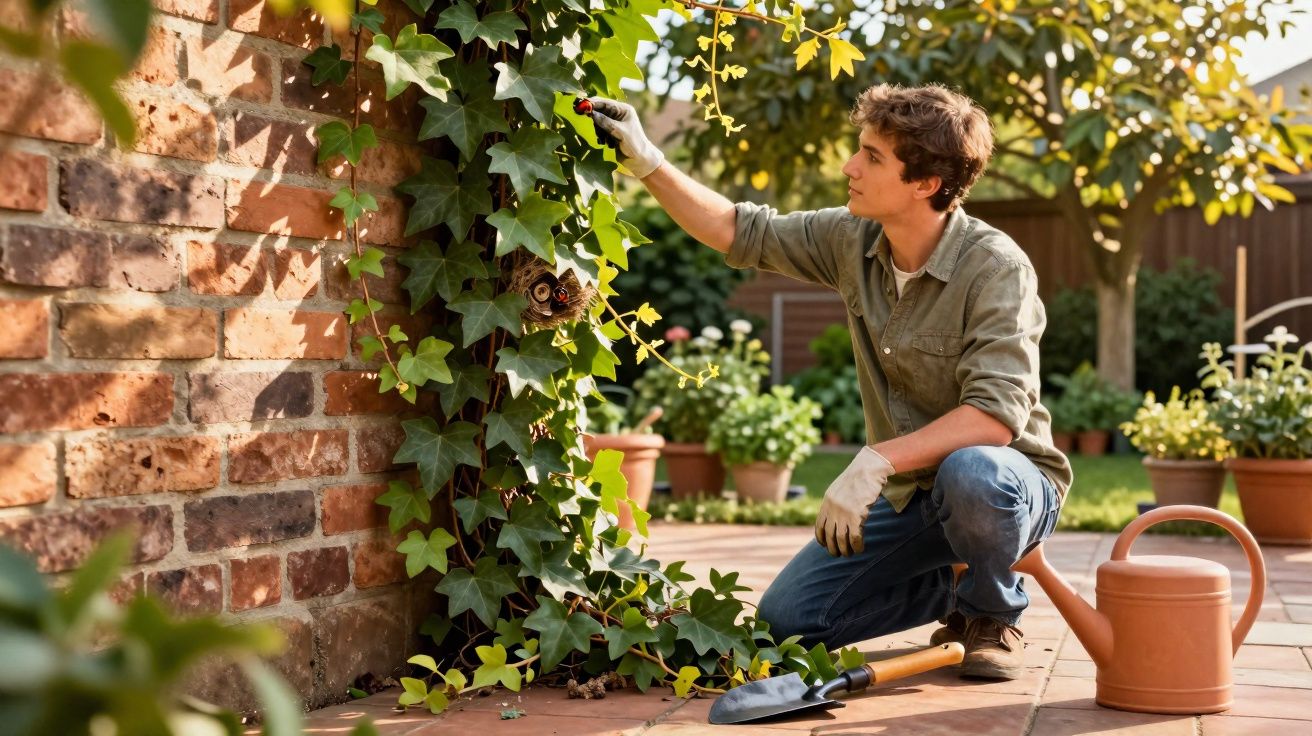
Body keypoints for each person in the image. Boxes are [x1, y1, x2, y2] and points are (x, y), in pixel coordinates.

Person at [585, 84, 1071, 681]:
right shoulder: (852, 239)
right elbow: (739, 229)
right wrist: (647, 161)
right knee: (788, 621)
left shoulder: (996, 268)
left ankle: (990, 615)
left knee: (972, 472)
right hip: (912, 495)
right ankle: (953, 579)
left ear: (925, 183)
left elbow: (994, 419)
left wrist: (875, 461)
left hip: (1008, 484)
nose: (849, 166)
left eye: (872, 156)